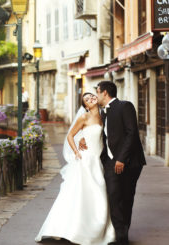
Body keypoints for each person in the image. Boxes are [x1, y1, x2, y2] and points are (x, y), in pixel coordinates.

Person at [35, 92, 116, 245]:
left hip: (97, 160)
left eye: (92, 96)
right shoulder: (84, 117)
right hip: (85, 160)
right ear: (85, 105)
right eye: (87, 99)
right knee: (85, 192)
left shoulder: (104, 115)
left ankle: (97, 229)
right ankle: (77, 230)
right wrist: (77, 152)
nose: (91, 99)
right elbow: (70, 135)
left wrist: (83, 139)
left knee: (97, 193)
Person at [80, 81, 146, 245]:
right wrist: (83, 138)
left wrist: (121, 159)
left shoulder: (125, 106)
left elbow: (132, 134)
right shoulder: (101, 113)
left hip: (129, 162)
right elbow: (99, 133)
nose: (95, 95)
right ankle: (120, 237)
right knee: (113, 196)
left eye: (97, 91)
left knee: (126, 197)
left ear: (104, 92)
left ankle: (123, 235)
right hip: (109, 161)